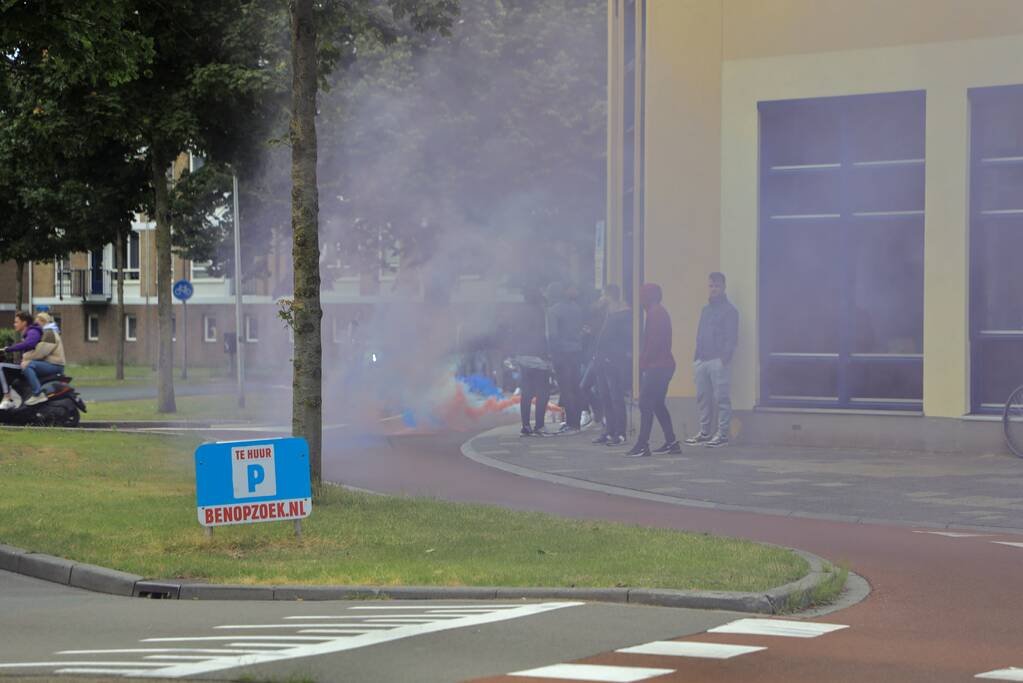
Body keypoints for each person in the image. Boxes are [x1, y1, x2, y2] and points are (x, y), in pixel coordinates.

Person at [625, 283, 680, 457]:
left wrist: (643, 361)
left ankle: (642, 444)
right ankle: (672, 442)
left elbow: (653, 343)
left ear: (649, 297)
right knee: (657, 403)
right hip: (663, 365)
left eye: (642, 296)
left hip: (657, 366)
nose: (640, 300)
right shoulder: (657, 312)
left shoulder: (655, 313)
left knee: (645, 402)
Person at [685, 272, 738, 448]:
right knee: (703, 397)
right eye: (711, 285)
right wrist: (696, 357)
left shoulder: (730, 311)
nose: (713, 289)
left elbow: (731, 338)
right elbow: (700, 333)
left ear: (724, 287)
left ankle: (722, 435)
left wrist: (724, 359)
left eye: (717, 286)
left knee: (722, 398)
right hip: (701, 360)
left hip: (718, 361)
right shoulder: (705, 310)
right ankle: (705, 432)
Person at [511, 286, 552, 436]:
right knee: (543, 392)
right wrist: (546, 355)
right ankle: (540, 425)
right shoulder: (538, 312)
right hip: (538, 356)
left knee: (527, 392)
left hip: (522, 355)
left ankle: (526, 425)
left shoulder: (519, 312)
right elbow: (542, 335)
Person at [593, 284, 631, 447]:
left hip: (614, 360)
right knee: (605, 396)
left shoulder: (624, 314)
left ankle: (620, 433)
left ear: (610, 296)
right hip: (601, 359)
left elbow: (623, 339)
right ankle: (609, 431)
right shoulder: (606, 313)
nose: (601, 299)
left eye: (604, 295)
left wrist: (612, 356)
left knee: (616, 397)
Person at [545, 281, 584, 433]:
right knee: (575, 387)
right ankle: (576, 423)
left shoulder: (553, 311)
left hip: (561, 353)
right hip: (576, 351)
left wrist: (551, 356)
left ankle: (570, 423)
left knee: (566, 389)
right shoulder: (577, 308)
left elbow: (552, 336)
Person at [19, 312, 67, 406]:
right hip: (51, 363)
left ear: (43, 321)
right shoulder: (47, 332)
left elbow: (40, 352)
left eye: (37, 323)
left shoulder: (49, 333)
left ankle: (37, 394)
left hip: (55, 365)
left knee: (27, 366)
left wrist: (25, 357)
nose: (35, 326)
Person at [1, 311, 42, 409]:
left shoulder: (33, 331)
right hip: (28, 363)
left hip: (31, 365)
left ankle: (7, 398)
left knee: (1, 366)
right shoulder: (30, 332)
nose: (14, 324)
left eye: (16, 322)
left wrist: (9, 349)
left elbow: (29, 344)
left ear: (24, 322)